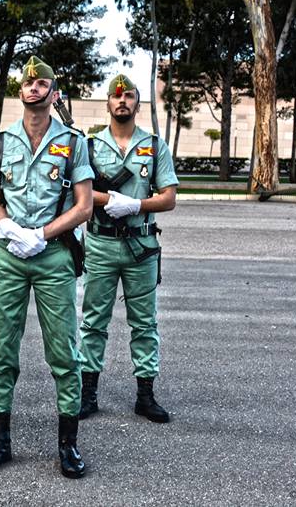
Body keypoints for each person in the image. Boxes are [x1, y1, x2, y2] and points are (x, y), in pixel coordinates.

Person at [0, 57, 93, 479]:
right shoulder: (1, 141)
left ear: (53, 93)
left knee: (64, 352)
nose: (33, 88)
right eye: (27, 83)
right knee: (1, 351)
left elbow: (84, 205)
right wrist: (6, 225)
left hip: (53, 254)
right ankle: (0, 441)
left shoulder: (73, 142)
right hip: (9, 254)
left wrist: (41, 234)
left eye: (42, 83)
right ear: (20, 91)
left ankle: (68, 445)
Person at [78, 74, 178, 424]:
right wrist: (110, 200)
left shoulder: (154, 145)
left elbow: (168, 198)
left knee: (144, 323)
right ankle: (88, 393)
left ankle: (145, 396)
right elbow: (79, 193)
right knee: (93, 321)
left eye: (129, 96)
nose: (122, 101)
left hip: (141, 246)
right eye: (116, 96)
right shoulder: (89, 146)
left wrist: (135, 205)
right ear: (108, 102)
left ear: (138, 103)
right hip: (101, 244)